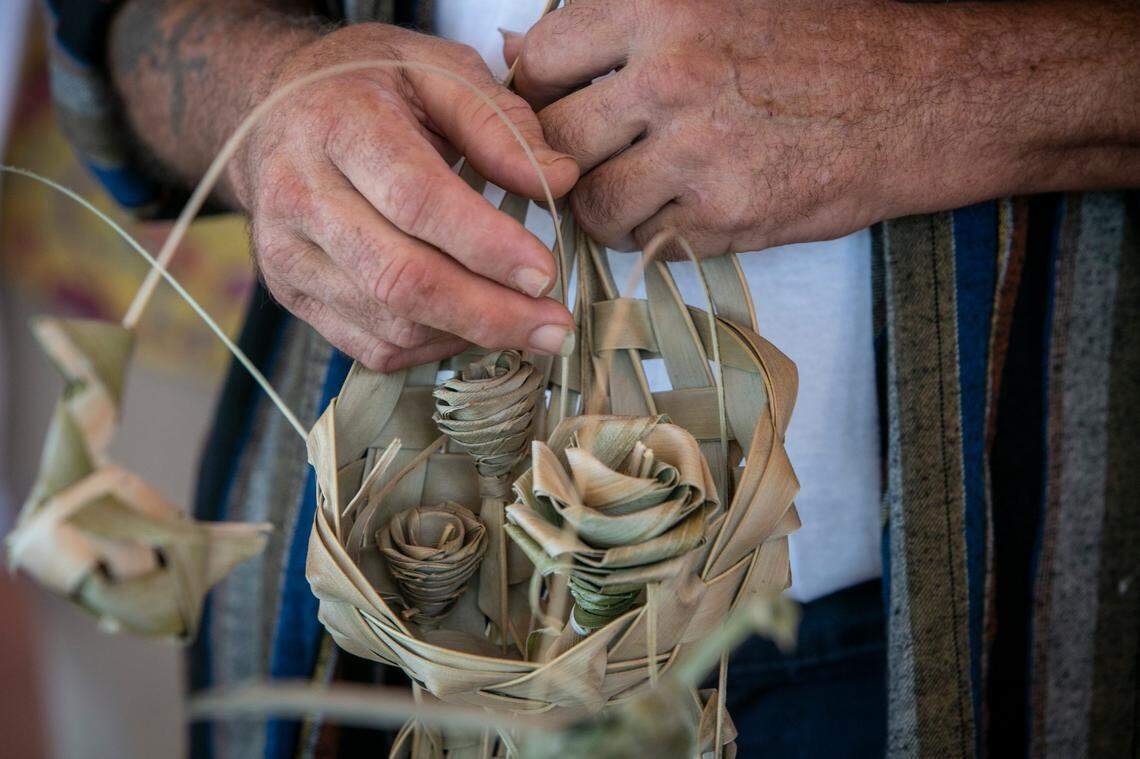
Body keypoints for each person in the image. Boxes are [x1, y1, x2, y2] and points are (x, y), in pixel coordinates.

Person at [44, 0, 1138, 757]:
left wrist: (941, 82)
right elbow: (117, 23)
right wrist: (265, 93)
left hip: (978, 631)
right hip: (365, 636)